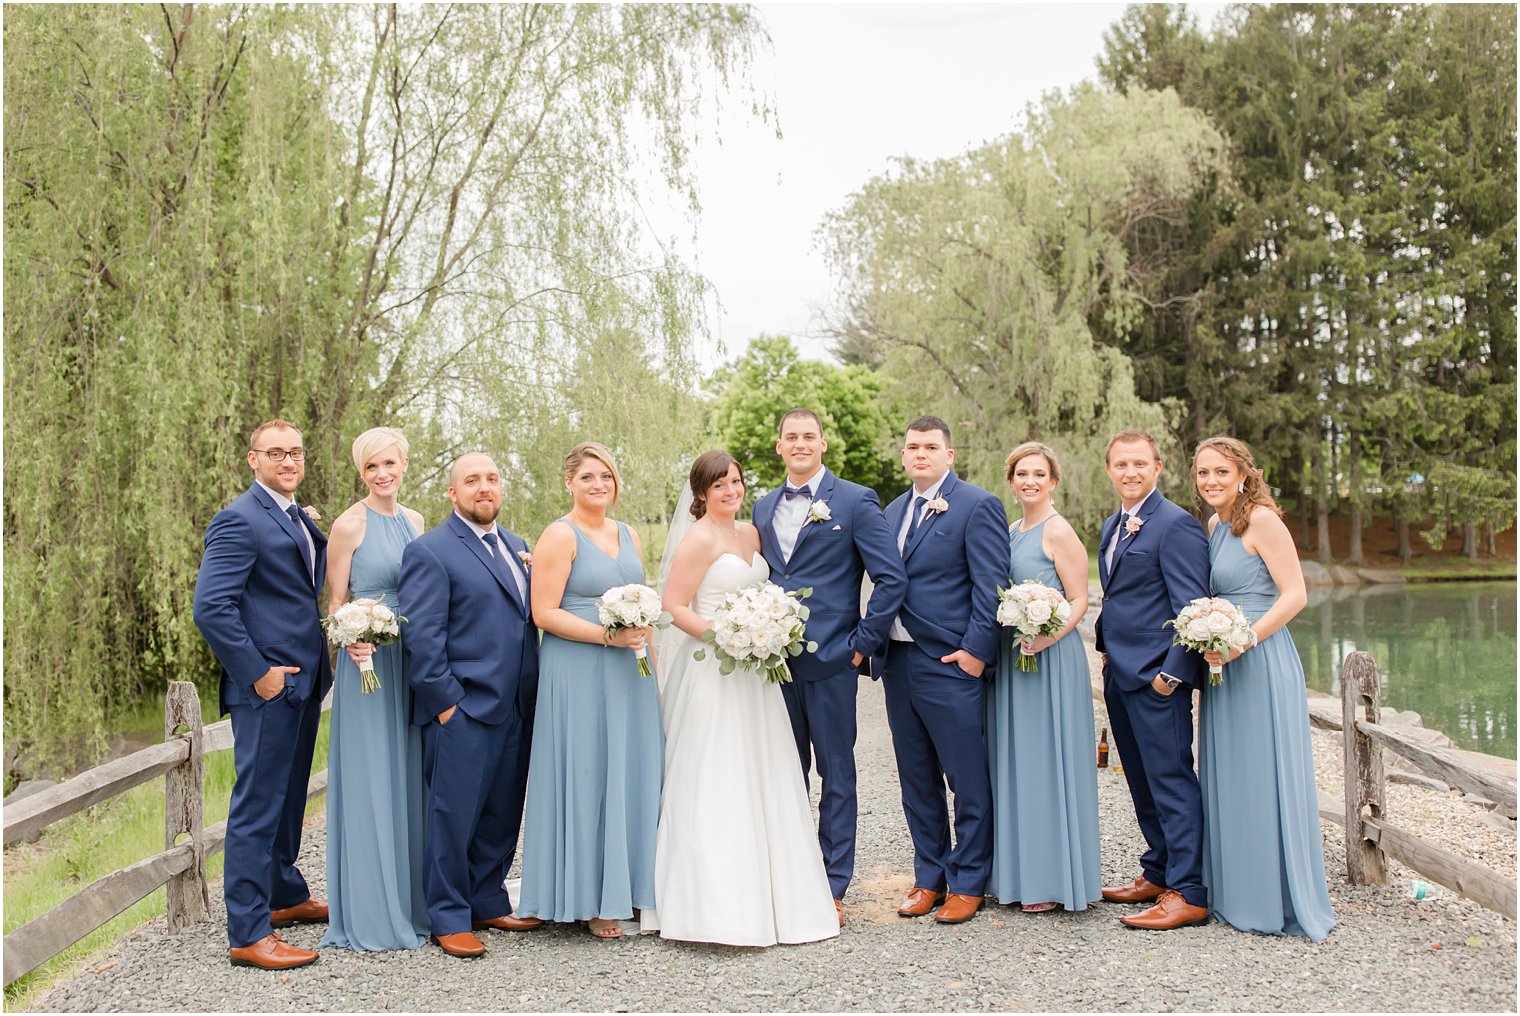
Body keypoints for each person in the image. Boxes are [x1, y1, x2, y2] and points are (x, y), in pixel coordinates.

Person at [651, 450, 840, 947]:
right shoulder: (699, 539)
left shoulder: (751, 534)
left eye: (735, 482)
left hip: (758, 674)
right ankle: (713, 905)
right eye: (720, 486)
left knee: (765, 772)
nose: (731, 491)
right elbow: (673, 605)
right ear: (701, 494)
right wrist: (726, 637)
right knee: (716, 774)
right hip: (715, 671)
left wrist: (767, 630)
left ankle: (780, 896)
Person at [750, 408, 907, 924]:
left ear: (822, 443)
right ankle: (787, 876)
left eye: (808, 436)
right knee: (784, 773)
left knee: (836, 773)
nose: (799, 444)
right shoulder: (762, 506)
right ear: (779, 446)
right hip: (773, 663)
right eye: (790, 437)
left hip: (833, 659)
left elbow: (891, 580)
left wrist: (859, 645)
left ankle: (832, 884)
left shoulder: (856, 500)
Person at [193, 418, 332, 970]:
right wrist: (259, 674)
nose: (289, 461)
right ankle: (248, 933)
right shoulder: (239, 520)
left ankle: (285, 896)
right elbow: (212, 608)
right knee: (256, 806)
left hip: (303, 684)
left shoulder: (294, 516)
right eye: (276, 453)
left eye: (296, 453)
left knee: (288, 799)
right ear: (253, 460)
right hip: (268, 689)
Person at [517, 443, 664, 940]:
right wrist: (608, 636)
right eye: (588, 477)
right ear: (569, 483)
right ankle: (592, 898)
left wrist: (651, 667)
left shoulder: (628, 534)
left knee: (630, 770)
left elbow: (643, 607)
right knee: (587, 771)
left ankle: (633, 889)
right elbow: (545, 613)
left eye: (606, 476)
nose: (599, 485)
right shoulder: (560, 535)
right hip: (578, 668)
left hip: (629, 671)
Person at [397, 452, 541, 959]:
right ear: (453, 493)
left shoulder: (518, 546)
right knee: (452, 816)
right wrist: (446, 705)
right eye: (472, 480)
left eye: (492, 479)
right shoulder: (431, 551)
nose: (484, 487)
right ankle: (449, 916)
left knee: (502, 812)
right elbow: (422, 637)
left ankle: (487, 898)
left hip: (518, 705)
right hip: (464, 708)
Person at [1194, 436, 1336, 941]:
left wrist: (1245, 640)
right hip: (1222, 661)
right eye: (1203, 473)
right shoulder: (1215, 525)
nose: (1211, 481)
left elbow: (1296, 594)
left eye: (1221, 473)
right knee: (1228, 772)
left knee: (1262, 770)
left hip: (1261, 656)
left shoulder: (1263, 521)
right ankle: (1233, 891)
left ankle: (1272, 896)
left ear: (1244, 475)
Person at [877, 415, 1007, 925]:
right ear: (904, 455)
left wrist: (977, 650)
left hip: (950, 661)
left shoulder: (977, 505)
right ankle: (929, 875)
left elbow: (991, 584)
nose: (921, 454)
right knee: (916, 777)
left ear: (948, 455)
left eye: (931, 447)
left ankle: (969, 879)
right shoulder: (889, 512)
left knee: (966, 776)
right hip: (900, 662)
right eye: (913, 447)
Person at [1094, 429, 1211, 930]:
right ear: (1109, 470)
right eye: (1121, 464)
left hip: (1157, 678)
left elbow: (1192, 606)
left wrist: (1172, 674)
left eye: (1140, 464)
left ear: (1158, 468)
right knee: (1140, 781)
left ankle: (1188, 891)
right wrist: (1104, 653)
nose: (1130, 472)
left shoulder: (1177, 525)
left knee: (1171, 780)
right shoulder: (1110, 526)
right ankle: (1158, 870)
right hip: (1120, 675)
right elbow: (1118, 597)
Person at [319, 427, 429, 952]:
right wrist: (350, 638)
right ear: (361, 473)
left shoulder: (416, 522)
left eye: (389, 464)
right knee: (372, 777)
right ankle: (371, 911)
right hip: (367, 661)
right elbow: (334, 601)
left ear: (405, 464)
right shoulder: (348, 525)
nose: (382, 475)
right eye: (371, 468)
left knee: (410, 776)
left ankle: (413, 903)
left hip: (410, 657)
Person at [985, 442, 1101, 914]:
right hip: (1016, 657)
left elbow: (1078, 600)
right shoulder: (1012, 530)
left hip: (1050, 657)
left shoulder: (1059, 531)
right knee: (1017, 760)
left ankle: (1054, 879)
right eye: (1021, 474)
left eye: (1039, 474)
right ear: (1011, 482)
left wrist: (1046, 638)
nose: (1029, 481)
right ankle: (1016, 873)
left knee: (1050, 761)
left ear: (1053, 481)